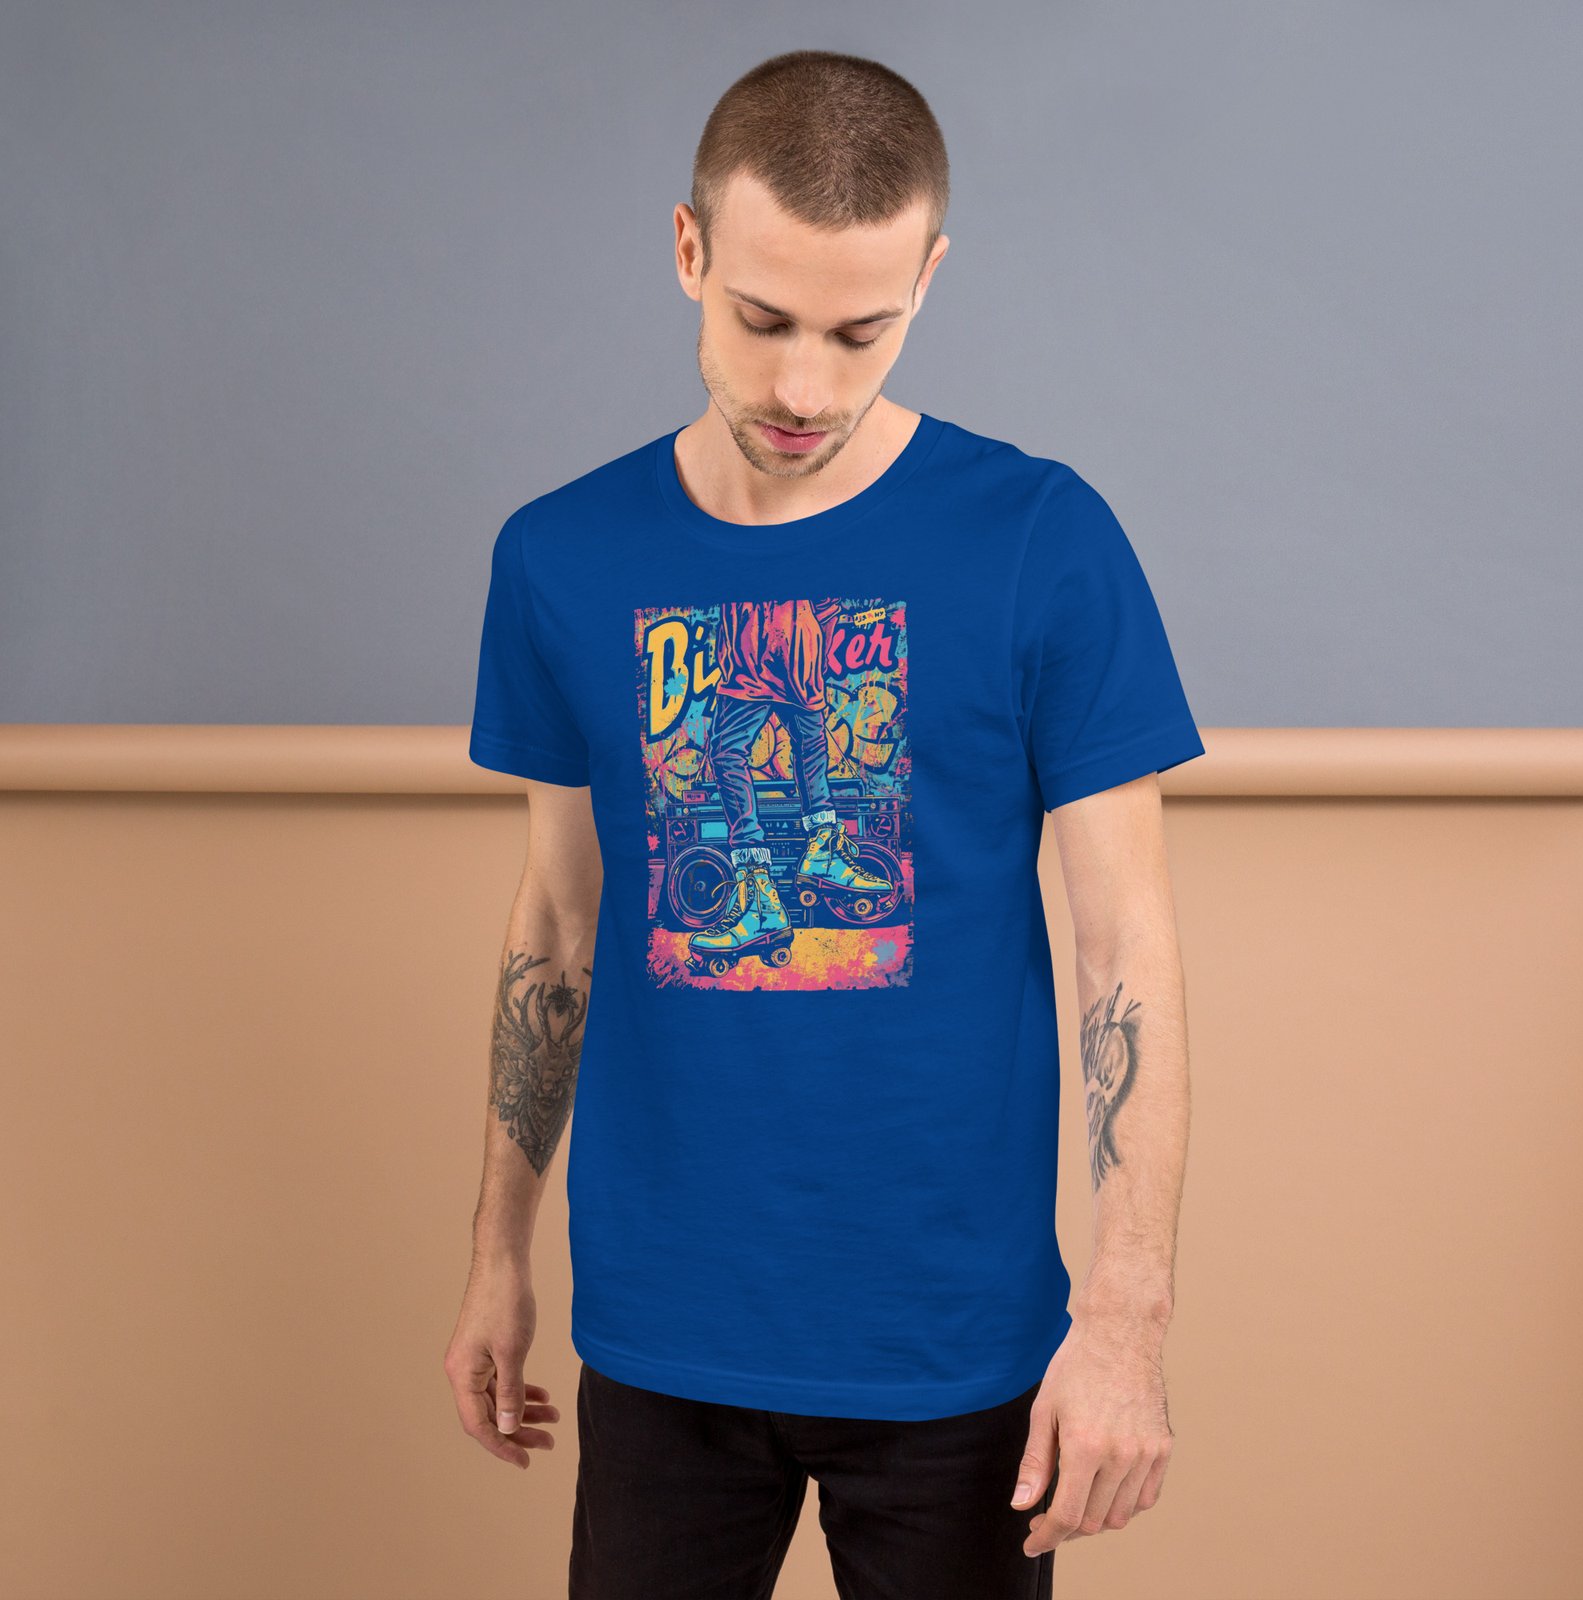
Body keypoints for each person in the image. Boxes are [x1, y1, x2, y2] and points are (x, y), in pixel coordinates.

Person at [443, 47, 1204, 1600]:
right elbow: (558, 925)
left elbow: (1126, 948)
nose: (804, 389)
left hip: (954, 1344)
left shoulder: (1042, 541)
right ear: (688, 251)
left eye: (862, 333)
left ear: (928, 277)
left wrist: (1124, 1321)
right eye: (762, 320)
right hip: (659, 1331)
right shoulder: (560, 557)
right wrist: (498, 1254)